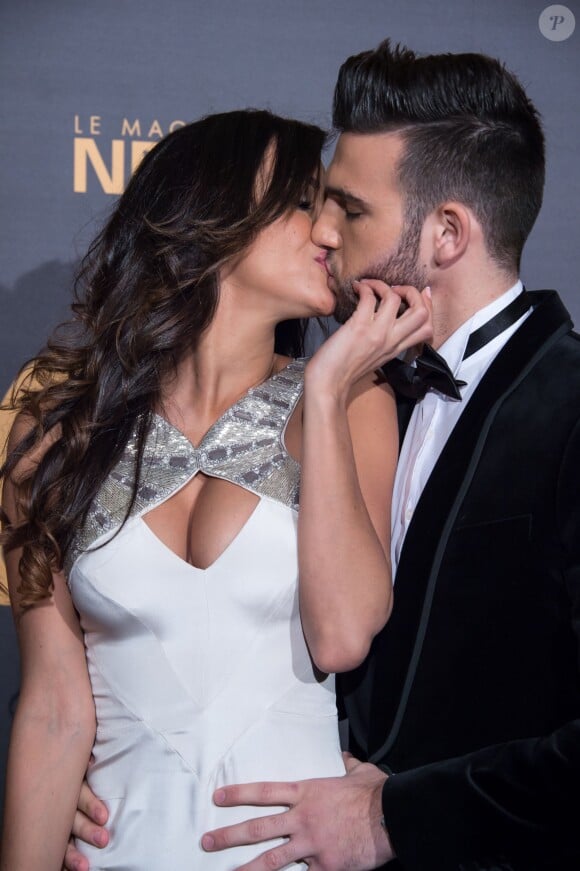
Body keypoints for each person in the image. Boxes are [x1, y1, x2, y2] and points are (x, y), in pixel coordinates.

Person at [184, 41, 579, 870]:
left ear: (446, 233)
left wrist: (394, 816)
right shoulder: (357, 391)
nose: (322, 231)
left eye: (350, 209)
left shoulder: (570, 409)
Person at [0, 109, 431, 869]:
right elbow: (54, 713)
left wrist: (326, 390)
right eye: (303, 203)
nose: (330, 232)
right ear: (212, 216)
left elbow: (342, 633)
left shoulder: (354, 402)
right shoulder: (51, 437)